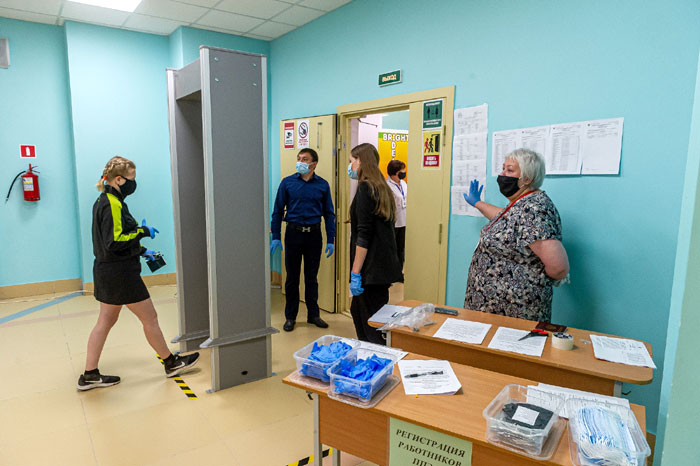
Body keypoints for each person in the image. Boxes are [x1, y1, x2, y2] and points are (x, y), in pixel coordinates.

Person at [78, 156, 199, 391]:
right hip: (120, 273)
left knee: (105, 321)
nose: (134, 183)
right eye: (131, 178)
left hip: (107, 270)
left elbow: (115, 239)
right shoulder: (112, 203)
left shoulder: (105, 200)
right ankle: (171, 363)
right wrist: (142, 231)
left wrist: (142, 250)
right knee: (149, 317)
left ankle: (90, 374)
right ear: (119, 179)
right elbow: (115, 241)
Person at [463, 148, 569, 322]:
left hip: (514, 309)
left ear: (527, 178)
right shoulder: (522, 203)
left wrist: (529, 279)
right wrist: (478, 203)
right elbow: (507, 220)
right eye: (503, 168)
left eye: (509, 170)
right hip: (492, 305)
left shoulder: (534, 209)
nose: (502, 174)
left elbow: (558, 268)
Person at [271, 148, 335, 332]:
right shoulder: (288, 183)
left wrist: (331, 238)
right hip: (293, 233)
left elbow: (329, 214)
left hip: (314, 235)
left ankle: (313, 315)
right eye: (299, 158)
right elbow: (277, 210)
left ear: (314, 164)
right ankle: (290, 317)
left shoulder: (322, 185)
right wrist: (276, 236)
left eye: (305, 159)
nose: (300, 162)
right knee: (292, 278)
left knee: (311, 278)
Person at [348, 144, 403, 344]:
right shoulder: (381, 187)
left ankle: (375, 357)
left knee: (369, 323)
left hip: (370, 270)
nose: (350, 167)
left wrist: (355, 273)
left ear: (361, 161)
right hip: (381, 269)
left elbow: (364, 235)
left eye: (351, 161)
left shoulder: (365, 188)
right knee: (361, 312)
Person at [386, 159, 407, 273]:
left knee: (401, 249)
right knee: (391, 249)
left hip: (404, 221)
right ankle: (391, 271)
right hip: (393, 222)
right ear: (395, 172)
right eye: (401, 170)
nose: (404, 172)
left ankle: (399, 272)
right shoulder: (387, 185)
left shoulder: (403, 183)